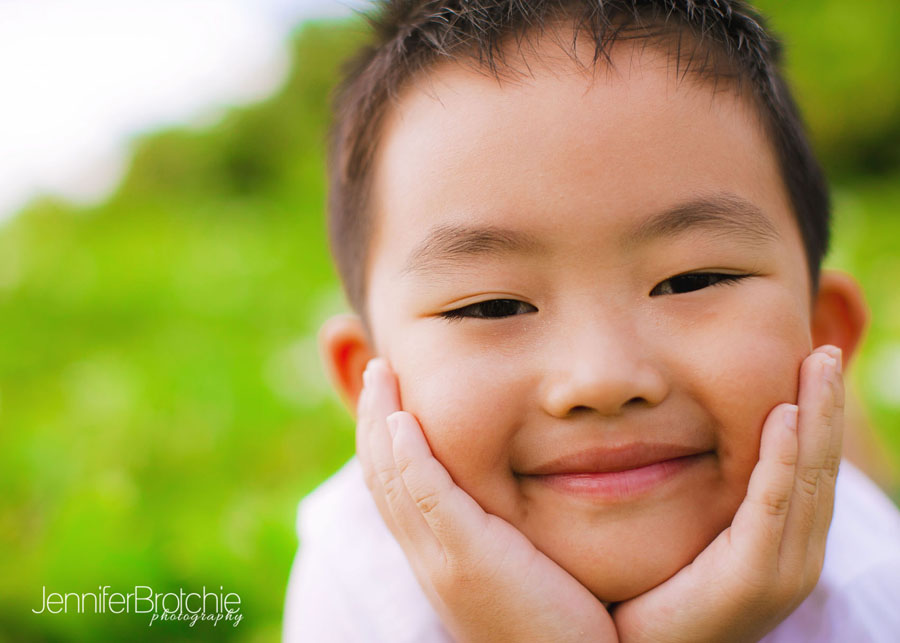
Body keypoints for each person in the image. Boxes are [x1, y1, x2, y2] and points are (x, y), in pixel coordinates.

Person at [284, 1, 900, 640]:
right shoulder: (358, 583)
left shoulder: (875, 591)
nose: (602, 379)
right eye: (492, 306)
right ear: (369, 386)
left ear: (823, 336)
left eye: (691, 281)